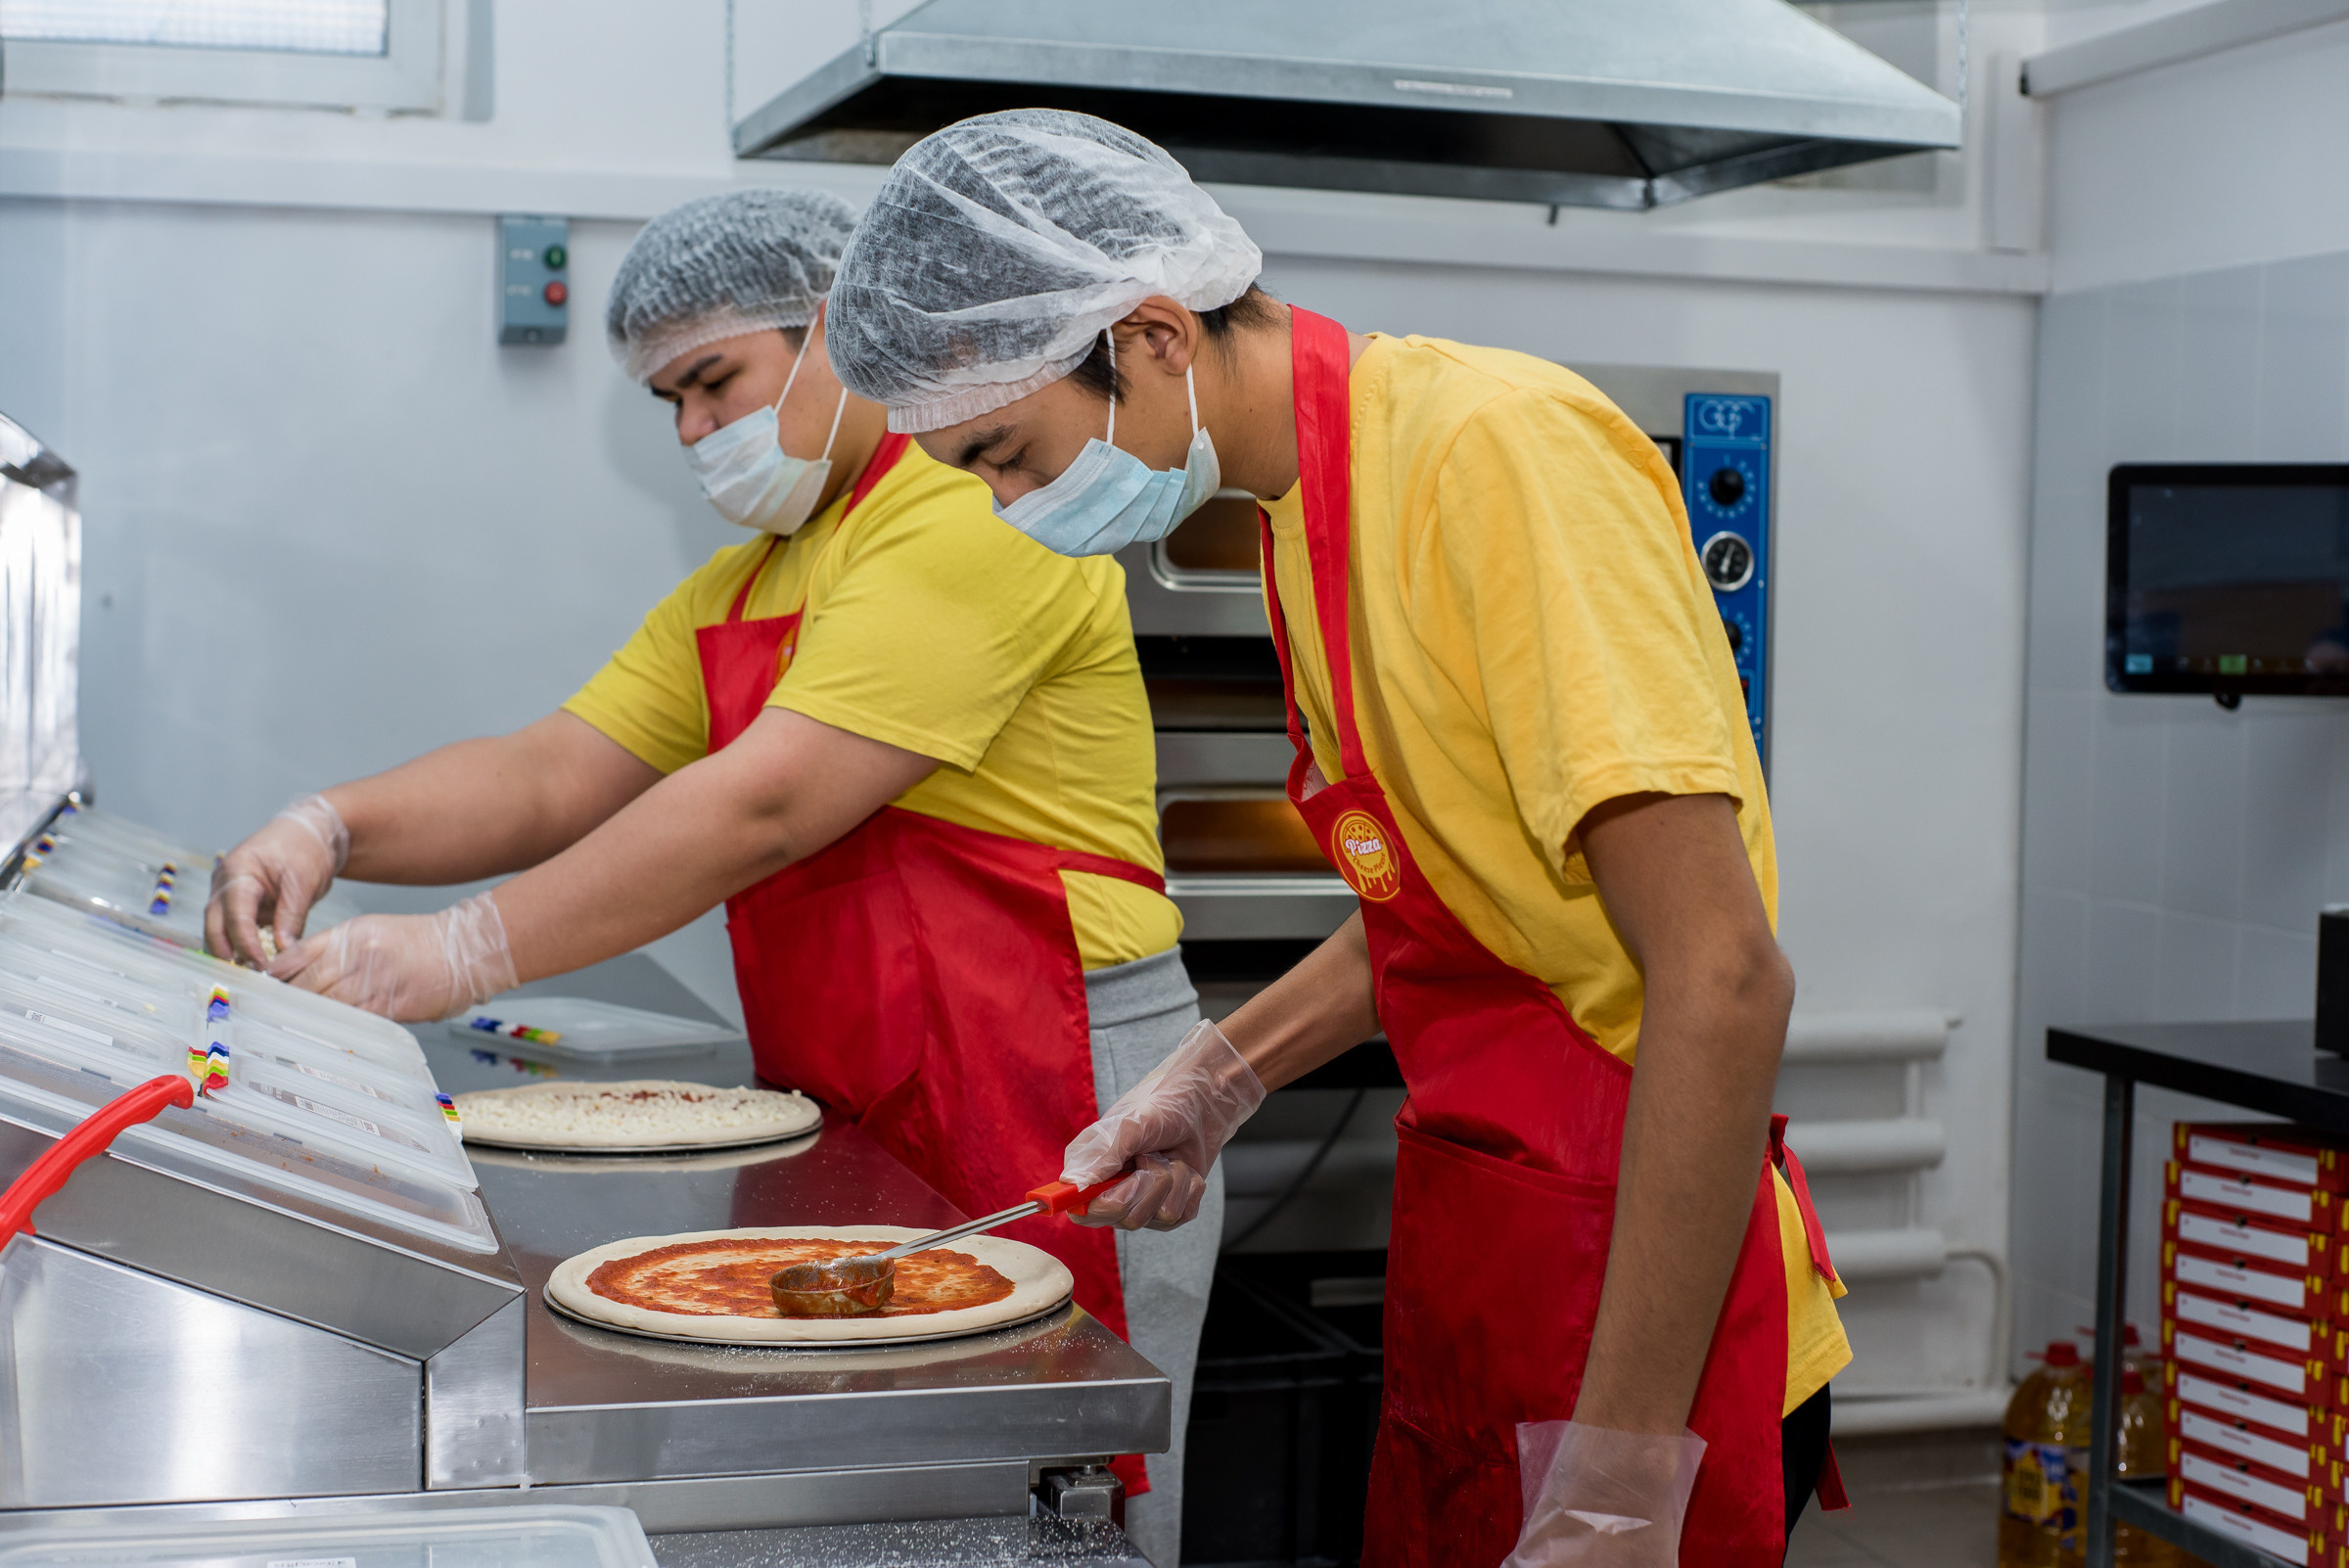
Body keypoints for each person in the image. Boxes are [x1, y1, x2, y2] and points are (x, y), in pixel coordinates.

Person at [825, 113, 1853, 1566]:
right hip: (1496, 1251)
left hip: (1645, 1318)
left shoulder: (1490, 454)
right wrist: (1217, 1078)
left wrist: (1622, 1474)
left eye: (1006, 451)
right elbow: (1449, 902)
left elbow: (1724, 974)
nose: (1008, 506)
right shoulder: (1306, 502)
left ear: (1155, 338)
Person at [203, 186, 1214, 1566]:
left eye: (710, 380)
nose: (692, 431)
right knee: (895, 1497)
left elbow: (771, 802)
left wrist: (449, 954)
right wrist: (327, 825)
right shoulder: (755, 580)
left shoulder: (982, 508)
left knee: (1052, 1483)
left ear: (839, 332)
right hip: (873, 1086)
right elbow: (557, 767)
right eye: (668, 401)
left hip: (1063, 1074)